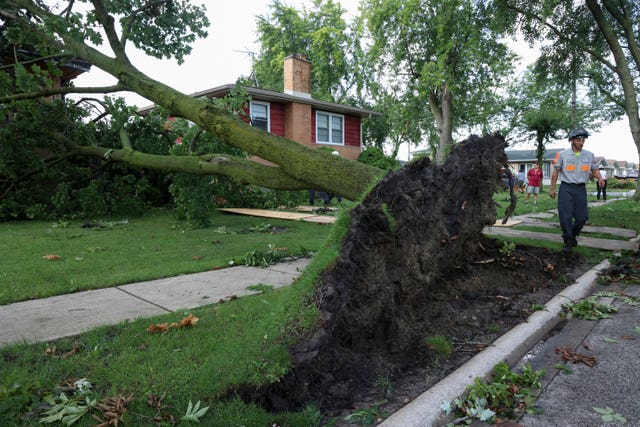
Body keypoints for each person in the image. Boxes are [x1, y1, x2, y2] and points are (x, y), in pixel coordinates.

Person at [550, 128, 604, 253]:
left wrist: (600, 178)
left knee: (582, 217)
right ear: (572, 140)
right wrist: (552, 189)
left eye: (583, 140)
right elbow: (556, 172)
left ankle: (572, 235)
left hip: (580, 189)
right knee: (565, 216)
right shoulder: (563, 154)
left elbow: (594, 169)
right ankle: (568, 241)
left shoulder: (589, 155)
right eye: (579, 140)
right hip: (566, 188)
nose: (581, 142)